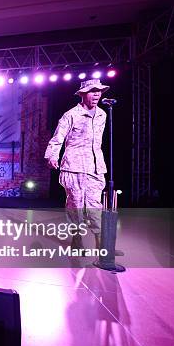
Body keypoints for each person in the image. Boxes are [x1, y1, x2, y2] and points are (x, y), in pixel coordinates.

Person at [44, 79, 108, 250]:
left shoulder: (103, 114)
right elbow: (58, 138)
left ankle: (100, 243)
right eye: (92, 91)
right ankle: (77, 238)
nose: (96, 94)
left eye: (99, 91)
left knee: (95, 205)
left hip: (95, 167)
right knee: (76, 205)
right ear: (82, 94)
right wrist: (52, 156)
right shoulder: (70, 115)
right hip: (74, 167)